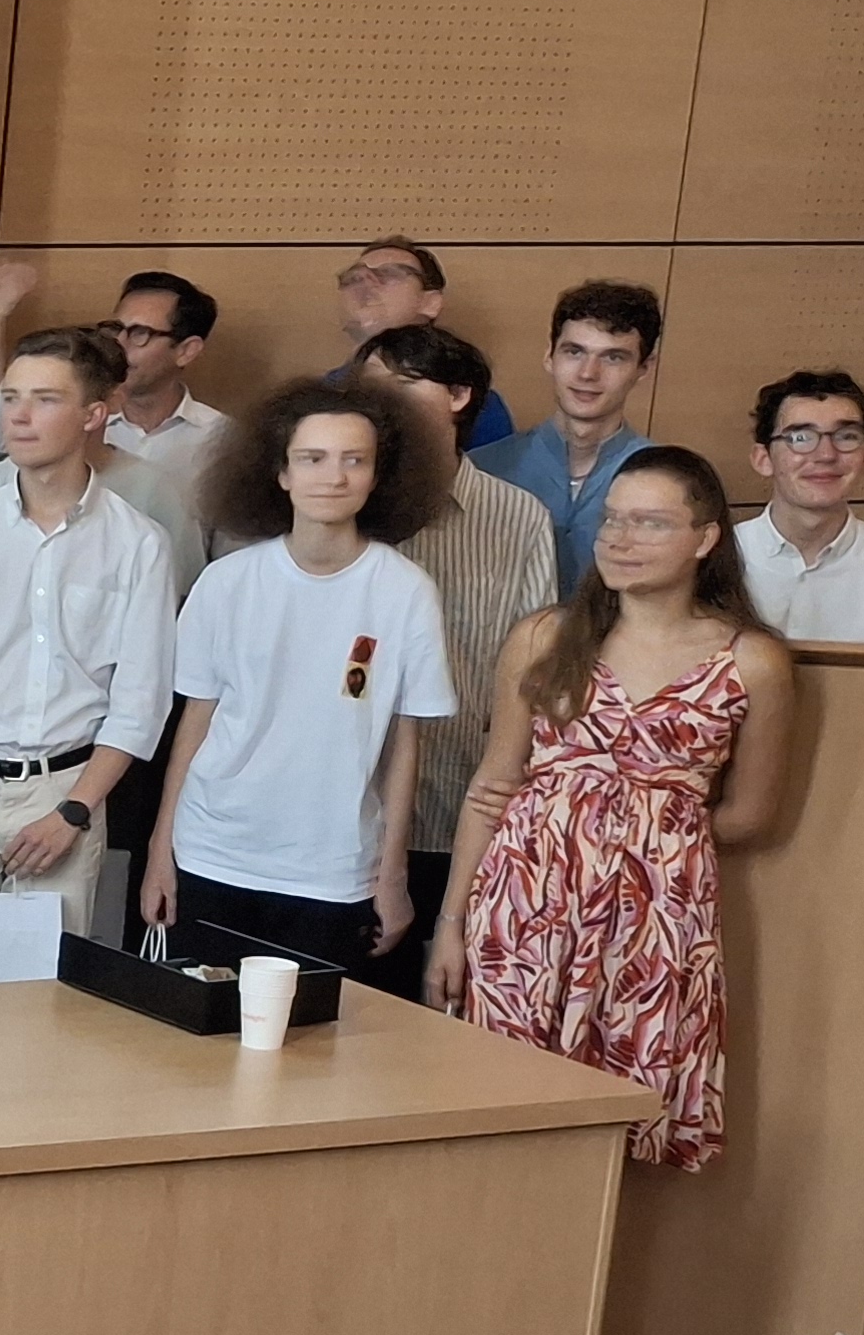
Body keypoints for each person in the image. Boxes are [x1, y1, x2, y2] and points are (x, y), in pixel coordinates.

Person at [432, 449, 797, 1171]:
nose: (621, 539)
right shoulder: (546, 637)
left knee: (620, 1116)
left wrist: (647, 839)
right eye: (613, 520)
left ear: (705, 537)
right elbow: (491, 787)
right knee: (503, 1113)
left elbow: (751, 815)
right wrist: (452, 924)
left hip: (656, 924)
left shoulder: (752, 660)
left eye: (651, 522)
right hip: (524, 910)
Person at [141, 378, 460, 974]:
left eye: (353, 460)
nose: (332, 477)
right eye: (312, 458)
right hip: (212, 853)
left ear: (377, 476)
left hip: (334, 871)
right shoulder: (226, 582)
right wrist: (163, 850)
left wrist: (392, 877)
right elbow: (195, 722)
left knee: (313, 1054)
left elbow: (402, 744)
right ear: (281, 473)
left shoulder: (406, 592)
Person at [0, 327, 175, 942]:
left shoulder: (139, 543)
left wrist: (74, 812)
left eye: (44, 399)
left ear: (95, 414)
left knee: (46, 1004)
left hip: (66, 792)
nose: (18, 415)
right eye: (11, 397)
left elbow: (138, 704)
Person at [348, 325, 559, 1004]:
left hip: (456, 811)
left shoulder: (518, 518)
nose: (381, 403)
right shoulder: (344, 504)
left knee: (432, 1027)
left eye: (402, 384)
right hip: (342, 812)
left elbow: (534, 677)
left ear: (460, 396)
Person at [0, 263, 236, 589]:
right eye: (116, 328)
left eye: (139, 334)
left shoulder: (224, 441)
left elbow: (222, 567)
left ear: (187, 350)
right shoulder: (71, 424)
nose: (121, 344)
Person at [473, 280, 663, 589]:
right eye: (574, 352)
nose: (588, 373)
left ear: (644, 367)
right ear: (549, 355)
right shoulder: (480, 470)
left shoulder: (668, 481)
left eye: (613, 357)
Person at [732, 372, 864, 644]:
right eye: (801, 438)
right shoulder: (717, 556)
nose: (826, 455)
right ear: (763, 459)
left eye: (846, 436)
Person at [333, 236, 517, 445]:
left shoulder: (476, 403)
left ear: (430, 302)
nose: (366, 283)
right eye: (354, 278)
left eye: (389, 273)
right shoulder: (319, 396)